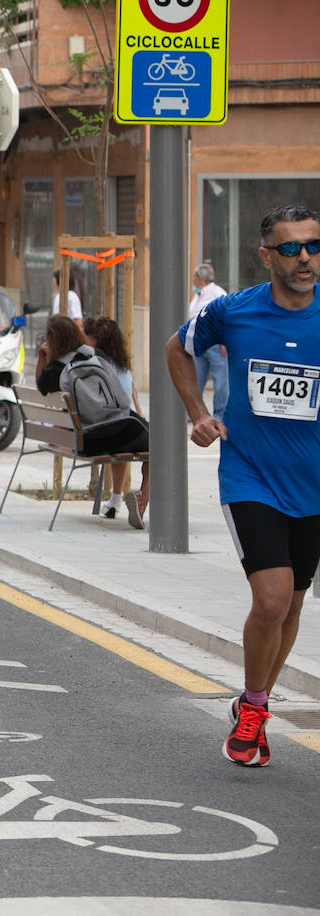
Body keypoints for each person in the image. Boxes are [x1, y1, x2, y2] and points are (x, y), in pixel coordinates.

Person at [166, 203, 320, 769]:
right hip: (250, 473)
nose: (304, 258)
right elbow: (177, 349)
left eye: (313, 246)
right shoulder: (233, 310)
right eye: (290, 248)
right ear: (266, 256)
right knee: (272, 598)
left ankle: (253, 699)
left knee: (295, 603)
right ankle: (254, 709)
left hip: (314, 481)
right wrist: (197, 412)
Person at [36, 314, 150, 456]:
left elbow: (41, 386)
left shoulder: (51, 372)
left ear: (52, 339)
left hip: (84, 440)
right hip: (111, 432)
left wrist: (42, 357)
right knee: (159, 439)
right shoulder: (97, 356)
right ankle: (147, 480)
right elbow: (121, 400)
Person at [82, 316, 148, 528]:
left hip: (98, 433)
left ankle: (116, 500)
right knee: (163, 448)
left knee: (138, 438)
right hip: (114, 432)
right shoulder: (119, 364)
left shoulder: (91, 362)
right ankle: (141, 500)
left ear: (95, 339)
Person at [188, 263, 229, 419]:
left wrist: (225, 341)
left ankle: (220, 415)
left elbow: (226, 317)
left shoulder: (217, 293)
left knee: (221, 381)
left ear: (201, 279)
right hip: (199, 343)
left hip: (216, 344)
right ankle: (195, 412)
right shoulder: (198, 295)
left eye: (194, 277)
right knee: (196, 379)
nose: (192, 280)